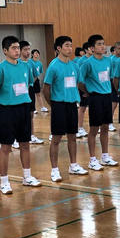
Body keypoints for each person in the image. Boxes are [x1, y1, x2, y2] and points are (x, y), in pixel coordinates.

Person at [0, 35, 42, 194]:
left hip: (23, 109)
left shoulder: (26, 66)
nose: (17, 51)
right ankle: (4, 182)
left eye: (18, 48)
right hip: (7, 110)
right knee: (6, 147)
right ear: (5, 51)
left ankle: (27, 177)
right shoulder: (0, 69)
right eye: (13, 48)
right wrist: (7, 94)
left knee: (25, 144)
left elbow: (28, 84)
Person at [44, 36, 90, 182]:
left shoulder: (74, 66)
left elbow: (78, 83)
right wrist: (53, 104)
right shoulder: (53, 66)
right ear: (59, 48)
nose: (70, 48)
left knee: (72, 137)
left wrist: (86, 92)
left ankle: (73, 165)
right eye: (66, 46)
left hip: (72, 105)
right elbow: (46, 88)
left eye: (71, 45)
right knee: (56, 139)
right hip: (58, 105)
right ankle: (54, 170)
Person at [77, 34, 119, 172]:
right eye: (99, 44)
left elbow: (110, 78)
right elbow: (80, 81)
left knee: (105, 127)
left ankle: (105, 156)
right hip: (95, 98)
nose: (102, 46)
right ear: (92, 48)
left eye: (103, 43)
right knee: (94, 129)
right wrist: (88, 92)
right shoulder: (87, 63)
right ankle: (92, 159)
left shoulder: (108, 61)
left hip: (107, 96)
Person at [19, 41, 44, 145]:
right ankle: (17, 138)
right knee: (19, 115)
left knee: (31, 114)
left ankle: (31, 135)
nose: (28, 52)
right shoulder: (16, 62)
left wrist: (29, 84)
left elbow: (35, 76)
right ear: (20, 50)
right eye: (25, 49)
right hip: (19, 91)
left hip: (29, 90)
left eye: (29, 49)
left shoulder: (31, 63)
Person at [75, 42, 92, 138]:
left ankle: (93, 126)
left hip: (92, 88)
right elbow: (79, 75)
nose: (92, 49)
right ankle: (79, 128)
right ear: (86, 50)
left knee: (92, 108)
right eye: (90, 48)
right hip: (84, 87)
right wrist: (83, 89)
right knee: (82, 108)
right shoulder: (81, 61)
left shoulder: (94, 59)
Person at [30, 49, 49, 113]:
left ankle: (42, 107)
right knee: (32, 95)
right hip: (30, 80)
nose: (37, 54)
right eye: (35, 53)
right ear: (32, 54)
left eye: (38, 53)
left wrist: (35, 79)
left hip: (36, 80)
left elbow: (39, 72)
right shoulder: (29, 62)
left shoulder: (39, 63)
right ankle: (33, 108)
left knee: (38, 93)